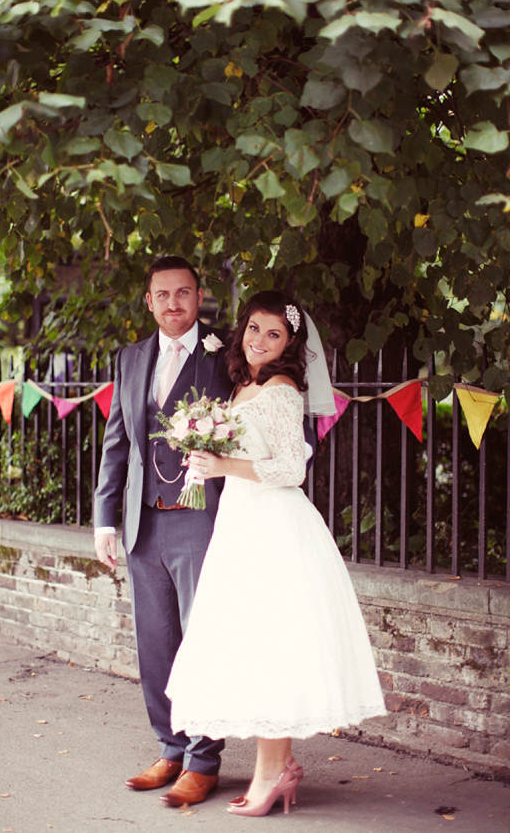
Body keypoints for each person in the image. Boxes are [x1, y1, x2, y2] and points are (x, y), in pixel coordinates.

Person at [166, 290, 387, 817]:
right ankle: (277, 771)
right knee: (263, 647)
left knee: (272, 644)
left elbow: (292, 470)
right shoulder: (246, 384)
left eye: (274, 334)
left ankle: (271, 776)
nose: (260, 341)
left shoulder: (283, 390)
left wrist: (223, 468)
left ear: (290, 344)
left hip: (273, 525)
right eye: (254, 330)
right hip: (242, 521)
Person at [93, 256, 233, 808]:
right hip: (141, 522)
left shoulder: (225, 356)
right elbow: (117, 444)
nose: (173, 303)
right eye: (162, 294)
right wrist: (105, 520)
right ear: (148, 301)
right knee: (155, 645)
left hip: (200, 517)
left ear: (200, 297)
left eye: (183, 293)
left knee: (202, 641)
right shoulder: (130, 359)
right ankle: (169, 747)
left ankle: (204, 760)